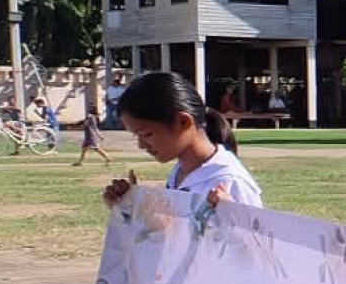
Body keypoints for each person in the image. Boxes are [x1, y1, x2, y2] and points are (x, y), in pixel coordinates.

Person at [102, 71, 262, 211]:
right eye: (136, 136)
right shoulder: (181, 172)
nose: (141, 145)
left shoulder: (229, 181)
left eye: (146, 134)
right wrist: (131, 206)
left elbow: (259, 243)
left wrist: (233, 215)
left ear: (183, 122)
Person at [75, 91, 110, 166]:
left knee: (96, 148)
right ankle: (80, 162)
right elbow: (96, 128)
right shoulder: (94, 117)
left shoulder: (89, 116)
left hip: (90, 135)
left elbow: (86, 124)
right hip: (90, 134)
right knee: (84, 149)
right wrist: (100, 136)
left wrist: (78, 127)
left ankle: (107, 158)